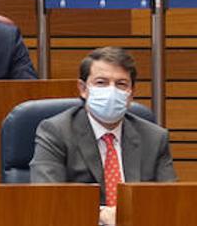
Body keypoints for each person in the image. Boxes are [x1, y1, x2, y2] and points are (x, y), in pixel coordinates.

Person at [31, 47, 175, 226]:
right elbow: (49, 197)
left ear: (131, 94)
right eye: (101, 82)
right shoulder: (55, 131)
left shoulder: (154, 137)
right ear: (83, 89)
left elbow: (170, 202)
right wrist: (100, 214)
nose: (111, 91)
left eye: (121, 84)